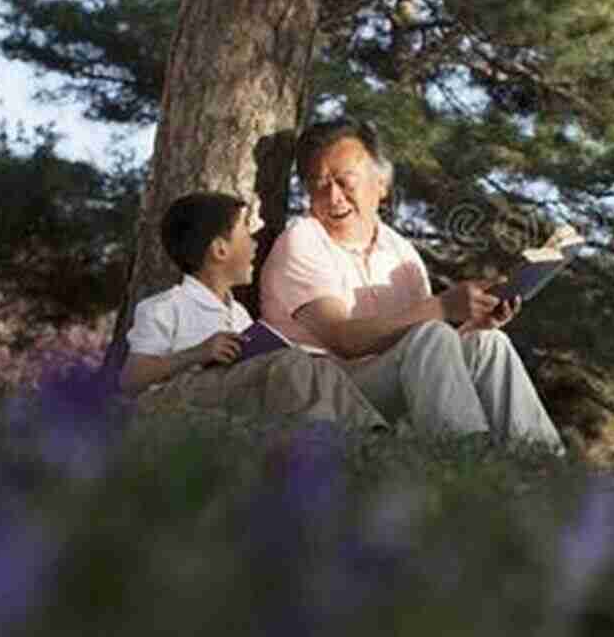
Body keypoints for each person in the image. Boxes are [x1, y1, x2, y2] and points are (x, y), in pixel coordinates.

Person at [259, 118, 565, 454]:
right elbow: (344, 339)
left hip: (390, 387)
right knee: (432, 333)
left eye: (345, 182)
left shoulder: (399, 250)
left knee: (487, 342)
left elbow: (424, 354)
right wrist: (443, 307)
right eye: (319, 185)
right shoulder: (302, 240)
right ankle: (467, 462)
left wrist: (473, 323)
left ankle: (543, 462)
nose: (333, 197)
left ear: (381, 184)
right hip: (330, 395)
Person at [120, 191, 387, 430]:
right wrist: (198, 353)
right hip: (175, 403)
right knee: (290, 365)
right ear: (220, 249)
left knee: (320, 367)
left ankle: (375, 439)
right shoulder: (165, 308)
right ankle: (326, 443)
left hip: (232, 399)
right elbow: (132, 379)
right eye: (246, 234)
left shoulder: (238, 315)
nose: (255, 244)